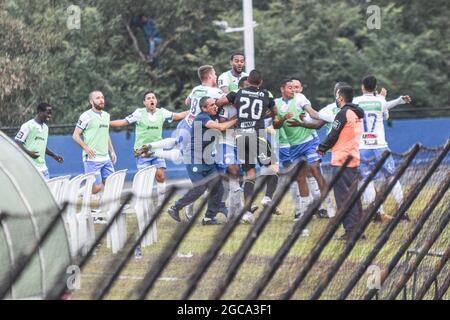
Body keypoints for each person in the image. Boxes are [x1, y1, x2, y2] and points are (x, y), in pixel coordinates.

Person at [216, 70, 280, 224]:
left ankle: (248, 213)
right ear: (260, 82)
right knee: (273, 167)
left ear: (249, 80)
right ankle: (267, 198)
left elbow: (219, 102)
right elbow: (274, 112)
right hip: (257, 135)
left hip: (241, 137)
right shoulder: (266, 94)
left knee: (250, 172)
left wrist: (232, 102)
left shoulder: (237, 92)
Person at [110, 91, 189, 205]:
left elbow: (179, 115)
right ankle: (142, 202)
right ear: (144, 102)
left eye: (153, 98)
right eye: (148, 98)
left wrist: (195, 110)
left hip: (157, 150)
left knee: (161, 175)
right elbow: (123, 122)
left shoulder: (162, 112)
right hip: (142, 151)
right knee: (144, 180)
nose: (151, 100)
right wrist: (107, 123)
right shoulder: (138, 113)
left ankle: (161, 202)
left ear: (156, 101)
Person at [166, 97, 237, 225]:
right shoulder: (202, 117)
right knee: (199, 189)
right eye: (211, 105)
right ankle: (175, 207)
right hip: (194, 159)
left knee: (218, 188)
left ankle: (209, 218)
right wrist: (238, 118)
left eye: (215, 104)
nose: (215, 106)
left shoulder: (210, 116)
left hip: (207, 160)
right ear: (204, 108)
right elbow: (221, 127)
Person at [353, 75, 412, 222]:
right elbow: (386, 113)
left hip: (363, 146)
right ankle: (402, 208)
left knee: (367, 179)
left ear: (362, 86)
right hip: (380, 145)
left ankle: (377, 212)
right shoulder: (380, 101)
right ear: (375, 86)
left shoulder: (356, 102)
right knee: (391, 176)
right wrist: (397, 100)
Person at [273, 79, 333, 223]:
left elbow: (312, 114)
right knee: (300, 177)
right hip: (294, 145)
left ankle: (330, 207)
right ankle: (305, 212)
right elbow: (276, 125)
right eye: (290, 87)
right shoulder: (276, 103)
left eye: (295, 87)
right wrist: (283, 120)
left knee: (315, 170)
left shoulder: (300, 98)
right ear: (282, 89)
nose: (293, 90)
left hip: (309, 142)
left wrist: (332, 118)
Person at [317, 86, 365, 241]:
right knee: (354, 195)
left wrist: (322, 147)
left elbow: (333, 133)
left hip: (341, 160)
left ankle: (351, 230)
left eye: (337, 96)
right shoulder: (357, 113)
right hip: (354, 157)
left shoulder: (343, 113)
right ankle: (358, 229)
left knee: (343, 197)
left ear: (341, 98)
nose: (336, 99)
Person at [73, 91, 117, 194]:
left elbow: (106, 134)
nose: (101, 100)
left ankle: (108, 208)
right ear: (91, 101)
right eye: (97, 98)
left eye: (102, 97)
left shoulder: (107, 115)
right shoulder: (85, 116)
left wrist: (112, 151)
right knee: (97, 187)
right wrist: (86, 148)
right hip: (92, 159)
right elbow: (75, 135)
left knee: (111, 184)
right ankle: (79, 195)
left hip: (106, 157)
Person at [15, 102, 64, 180]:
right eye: (48, 113)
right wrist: (30, 153)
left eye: (51, 113)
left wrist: (54, 155)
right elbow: (17, 142)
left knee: (46, 190)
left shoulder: (46, 128)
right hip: (30, 167)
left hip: (43, 167)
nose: (49, 116)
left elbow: (43, 146)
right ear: (39, 112)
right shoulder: (28, 125)